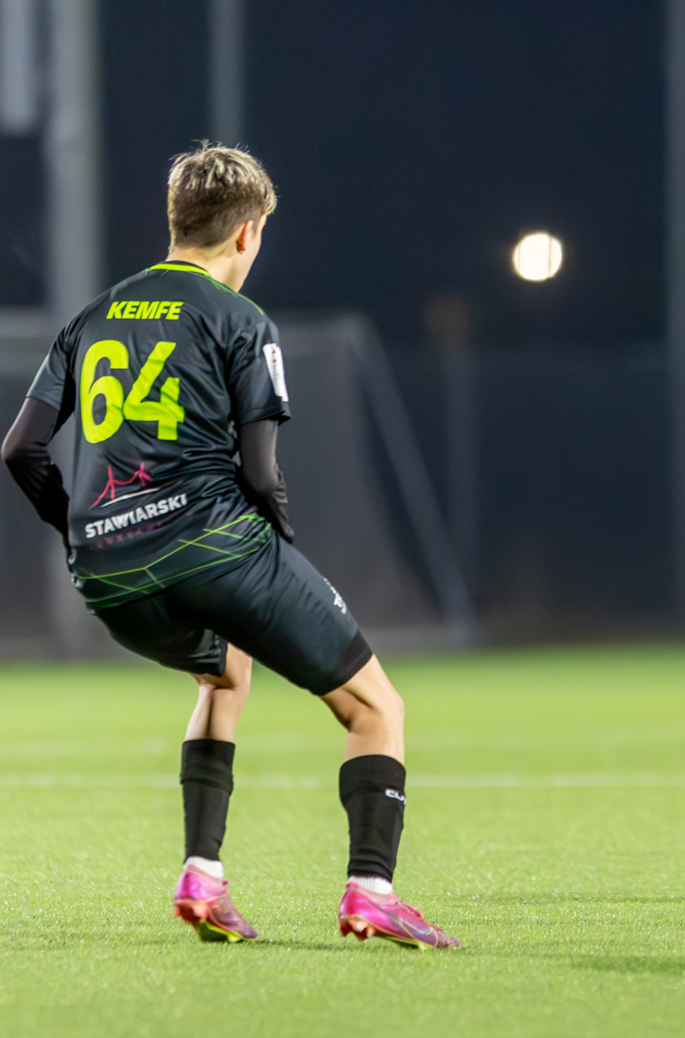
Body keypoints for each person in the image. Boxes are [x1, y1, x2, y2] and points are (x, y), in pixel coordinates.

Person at [0, 146, 458, 949]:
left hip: (109, 578)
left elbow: (20, 452)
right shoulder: (239, 319)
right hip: (215, 552)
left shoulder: (92, 317)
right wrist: (280, 561)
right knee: (376, 707)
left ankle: (202, 875)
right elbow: (260, 472)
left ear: (175, 222)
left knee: (224, 670)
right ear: (246, 234)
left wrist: (84, 531)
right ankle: (371, 892)